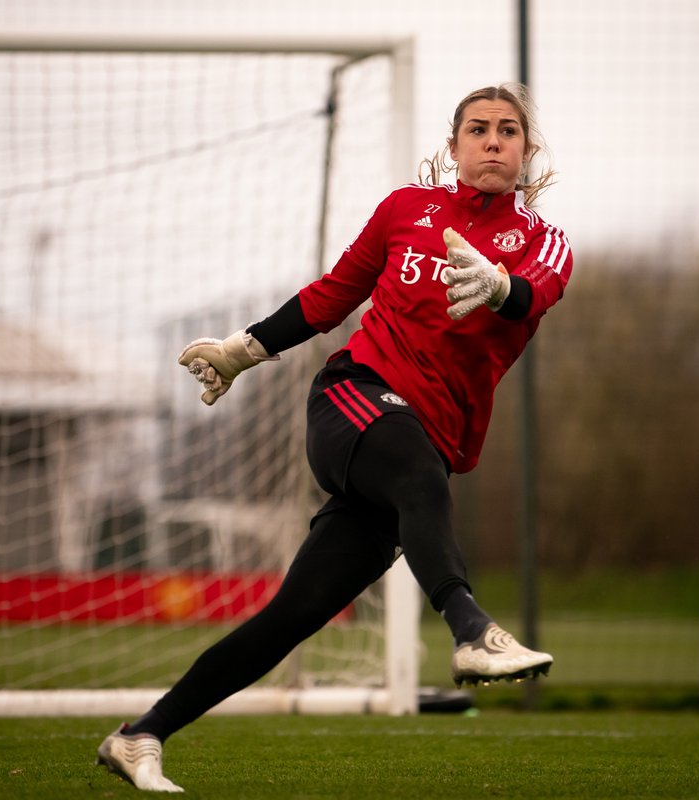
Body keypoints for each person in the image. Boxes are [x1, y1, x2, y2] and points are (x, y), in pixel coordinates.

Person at [96, 83, 573, 793]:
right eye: (478, 129)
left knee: (293, 616)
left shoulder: (545, 241)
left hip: (421, 450)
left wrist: (502, 289)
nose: (493, 141)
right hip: (351, 398)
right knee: (418, 470)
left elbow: (537, 291)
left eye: (508, 131)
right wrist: (240, 350)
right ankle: (472, 631)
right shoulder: (405, 210)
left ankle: (140, 737)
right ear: (454, 147)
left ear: (527, 152)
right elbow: (332, 293)